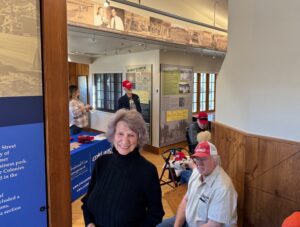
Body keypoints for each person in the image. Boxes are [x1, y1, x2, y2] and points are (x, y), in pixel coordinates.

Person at [81, 109, 164, 227]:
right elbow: (87, 202)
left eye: (131, 135)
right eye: (120, 133)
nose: (125, 141)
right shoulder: (101, 163)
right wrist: (89, 223)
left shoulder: (147, 171)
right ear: (113, 134)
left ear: (139, 138)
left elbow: (156, 214)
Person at [158, 141, 238, 227]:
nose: (199, 162)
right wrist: (176, 225)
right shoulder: (197, 173)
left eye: (203, 159)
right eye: (197, 158)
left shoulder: (223, 188)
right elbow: (185, 200)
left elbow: (214, 225)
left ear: (215, 160)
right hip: (188, 220)